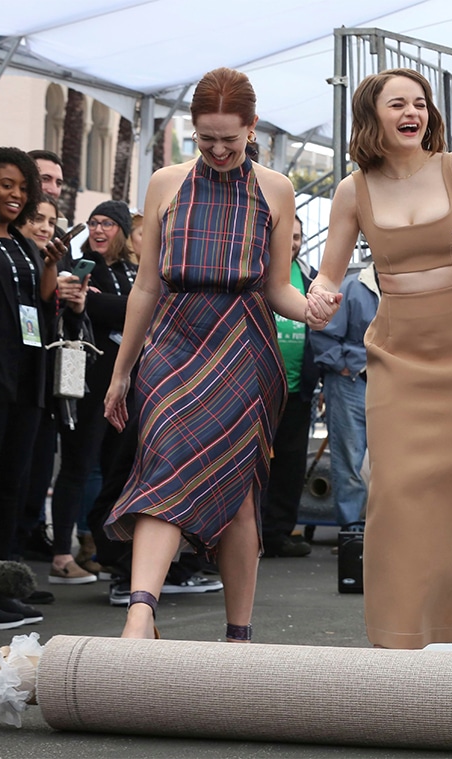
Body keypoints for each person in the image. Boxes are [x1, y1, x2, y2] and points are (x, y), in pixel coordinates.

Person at [102, 67, 338, 641]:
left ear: (252, 127)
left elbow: (277, 287)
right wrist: (121, 372)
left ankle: (237, 636)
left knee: (236, 494)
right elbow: (146, 287)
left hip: (243, 349)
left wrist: (310, 309)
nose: (218, 149)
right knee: (162, 469)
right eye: (206, 138)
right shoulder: (165, 183)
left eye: (229, 138)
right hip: (171, 343)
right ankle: (141, 612)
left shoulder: (276, 189)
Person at [312, 67, 452, 651]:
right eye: (398, 103)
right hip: (398, 354)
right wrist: (320, 297)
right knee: (395, 494)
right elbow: (329, 274)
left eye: (420, 103)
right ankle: (395, 637)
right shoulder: (353, 189)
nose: (413, 113)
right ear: (372, 116)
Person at [0, 147, 65, 627]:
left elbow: (36, 305)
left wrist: (51, 267)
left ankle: (1, 588)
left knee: (10, 486)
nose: (16, 195)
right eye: (6, 185)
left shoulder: (20, 242)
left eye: (23, 187)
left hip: (26, 376)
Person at [48, 200, 138, 585]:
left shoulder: (128, 270)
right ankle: (61, 554)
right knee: (78, 466)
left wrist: (119, 304)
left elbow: (145, 307)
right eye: (94, 223)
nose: (99, 230)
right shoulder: (81, 266)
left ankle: (102, 550)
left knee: (115, 469)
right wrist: (129, 305)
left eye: (108, 224)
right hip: (86, 380)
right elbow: (100, 308)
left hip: (125, 382)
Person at [260, 215, 320, 558]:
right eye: (288, 236)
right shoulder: (258, 275)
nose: (292, 242)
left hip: (298, 390)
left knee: (291, 462)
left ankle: (278, 533)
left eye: (297, 237)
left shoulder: (309, 278)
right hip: (257, 387)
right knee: (255, 462)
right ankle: (249, 533)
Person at [310, 261, 379, 528]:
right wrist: (343, 366)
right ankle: (351, 527)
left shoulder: (407, 289)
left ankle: (387, 527)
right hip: (350, 382)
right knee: (348, 458)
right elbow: (322, 332)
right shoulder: (351, 287)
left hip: (392, 382)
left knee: (394, 458)